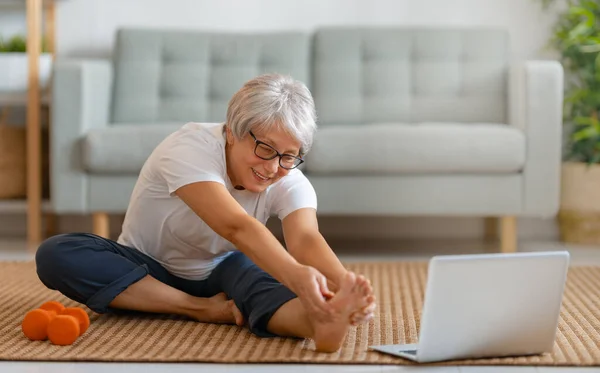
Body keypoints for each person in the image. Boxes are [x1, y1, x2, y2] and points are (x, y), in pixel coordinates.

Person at [35, 73, 377, 352]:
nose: (273, 167)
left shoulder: (290, 177)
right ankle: (197, 307)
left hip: (222, 269)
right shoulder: (189, 148)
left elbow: (305, 238)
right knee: (57, 253)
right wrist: (297, 275)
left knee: (264, 279)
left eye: (288, 156)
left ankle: (319, 323)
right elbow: (235, 227)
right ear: (231, 131)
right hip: (144, 268)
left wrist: (343, 285)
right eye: (265, 149)